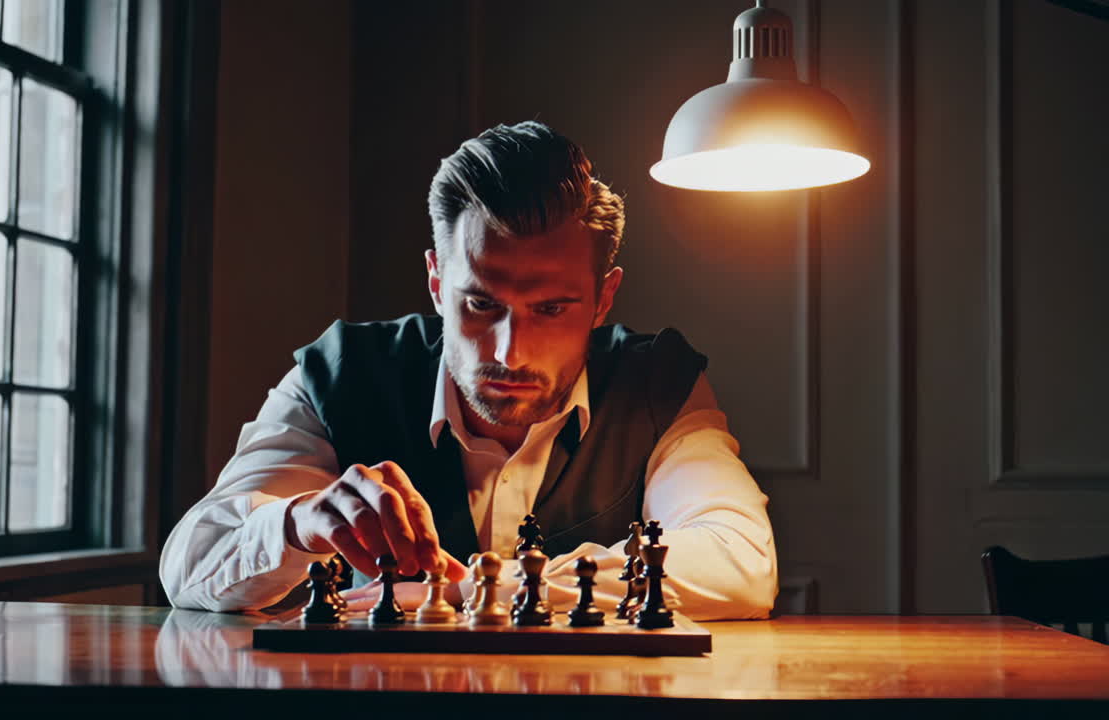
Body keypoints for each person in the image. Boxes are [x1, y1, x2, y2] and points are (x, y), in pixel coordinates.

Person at [159, 121, 777, 620]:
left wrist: (480, 589)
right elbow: (189, 565)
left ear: (603, 299)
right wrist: (296, 524)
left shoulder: (659, 384)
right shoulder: (341, 375)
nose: (510, 352)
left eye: (551, 309)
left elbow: (741, 561)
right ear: (436, 281)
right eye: (481, 304)